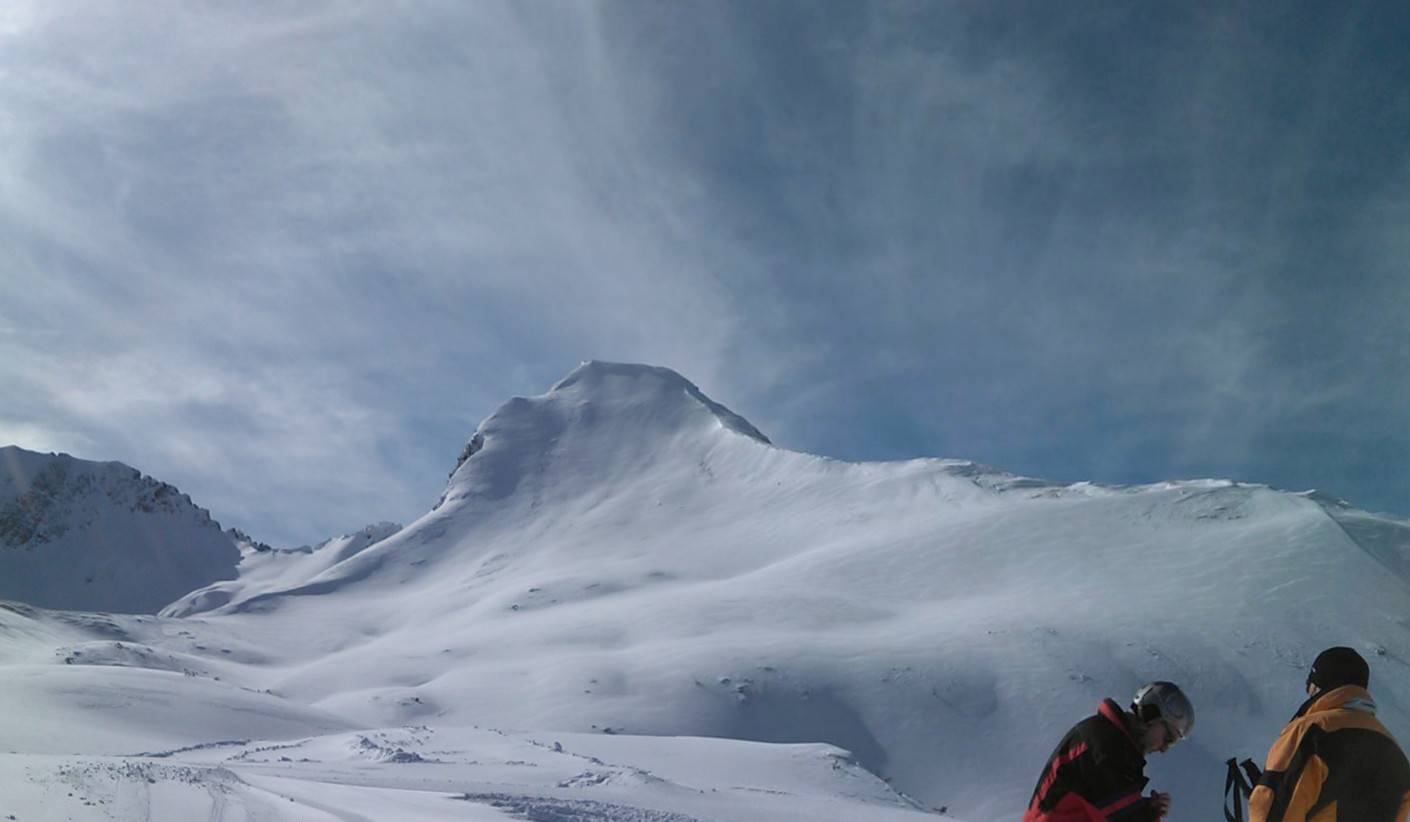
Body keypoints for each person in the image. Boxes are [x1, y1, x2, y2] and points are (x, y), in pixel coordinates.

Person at [1249, 646, 1410, 821]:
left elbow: (1274, 806)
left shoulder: (1311, 733)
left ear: (1320, 686)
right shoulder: (1396, 755)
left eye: (1310, 687)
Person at [1024, 681, 1192, 821]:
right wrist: (1146, 813)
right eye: (1168, 738)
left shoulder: (1112, 745)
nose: (1163, 748)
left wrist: (1146, 809)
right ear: (1150, 715)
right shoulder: (1104, 745)